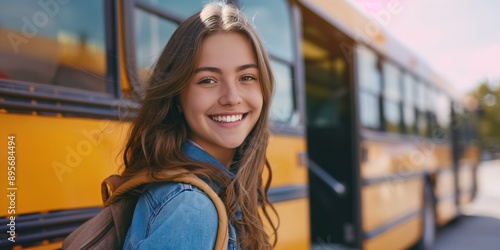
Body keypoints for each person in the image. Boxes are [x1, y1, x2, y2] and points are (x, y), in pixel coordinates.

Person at [121, 2, 278, 249]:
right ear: (177, 96)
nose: (232, 97)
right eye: (208, 80)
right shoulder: (192, 208)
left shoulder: (218, 188)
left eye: (247, 77)